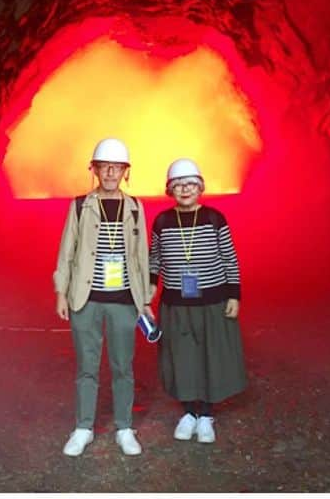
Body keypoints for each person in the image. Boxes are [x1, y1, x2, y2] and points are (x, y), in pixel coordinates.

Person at [53, 138, 155, 457]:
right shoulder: (81, 205)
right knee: (87, 366)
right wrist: (61, 291)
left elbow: (141, 256)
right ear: (94, 169)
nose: (110, 172)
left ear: (125, 172)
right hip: (86, 299)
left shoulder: (136, 207)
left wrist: (146, 301)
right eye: (104, 166)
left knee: (123, 365)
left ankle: (124, 427)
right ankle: (83, 427)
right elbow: (66, 251)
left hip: (125, 301)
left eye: (117, 167)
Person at [150, 158, 247, 444]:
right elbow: (155, 259)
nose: (184, 190)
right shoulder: (163, 221)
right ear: (170, 190)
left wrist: (234, 294)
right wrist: (151, 286)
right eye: (178, 185)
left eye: (190, 184)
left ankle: (206, 414)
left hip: (212, 301)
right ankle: (189, 412)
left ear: (200, 187)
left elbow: (230, 258)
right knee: (183, 356)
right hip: (177, 304)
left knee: (210, 355)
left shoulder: (215, 218)